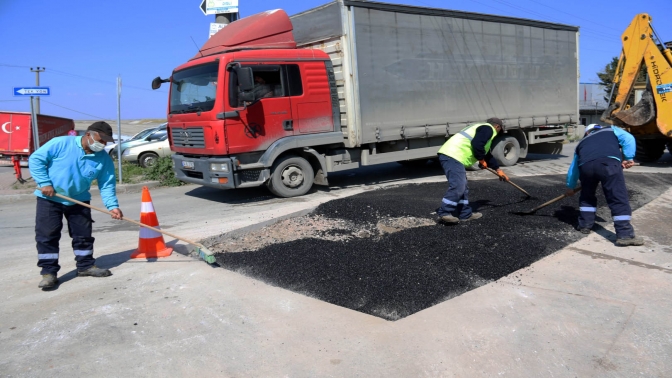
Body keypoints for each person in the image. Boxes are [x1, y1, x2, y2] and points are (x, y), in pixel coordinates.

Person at [29, 121, 124, 290]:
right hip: (50, 198)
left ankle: (85, 266)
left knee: (83, 235)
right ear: (88, 134)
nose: (102, 144)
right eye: (100, 140)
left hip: (79, 199)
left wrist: (112, 206)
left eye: (105, 142)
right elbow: (36, 159)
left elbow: (107, 184)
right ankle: (49, 273)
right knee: (47, 235)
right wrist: (44, 182)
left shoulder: (103, 158)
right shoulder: (61, 143)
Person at [565, 124, 643, 246]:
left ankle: (585, 225)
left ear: (587, 133)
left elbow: (574, 168)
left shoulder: (581, 143)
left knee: (587, 196)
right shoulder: (611, 129)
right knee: (617, 197)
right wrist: (628, 157)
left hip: (586, 168)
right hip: (608, 164)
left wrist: (571, 186)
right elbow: (628, 138)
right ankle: (625, 235)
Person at [436, 117, 509, 224]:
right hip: (453, 155)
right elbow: (477, 144)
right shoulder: (488, 129)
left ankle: (465, 214)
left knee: (463, 186)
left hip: (455, 156)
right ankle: (444, 212)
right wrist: (481, 159)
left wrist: (498, 170)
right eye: (499, 130)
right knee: (458, 185)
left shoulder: (482, 129)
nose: (498, 133)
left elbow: (487, 154)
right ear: (497, 126)